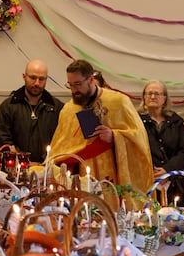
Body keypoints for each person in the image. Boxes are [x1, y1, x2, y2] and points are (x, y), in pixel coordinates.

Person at [48, 59, 152, 190]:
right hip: (79, 180)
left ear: (91, 79)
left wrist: (114, 136)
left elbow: (140, 138)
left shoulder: (119, 102)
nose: (74, 90)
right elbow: (59, 149)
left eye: (78, 84)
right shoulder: (68, 110)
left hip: (113, 179)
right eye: (70, 85)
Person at [0, 59, 63, 162]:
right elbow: (4, 141)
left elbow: (60, 141)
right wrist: (23, 162)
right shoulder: (8, 106)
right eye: (33, 78)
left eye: (41, 79)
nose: (37, 83)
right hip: (16, 169)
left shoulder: (58, 108)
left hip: (48, 169)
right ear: (24, 76)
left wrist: (44, 163)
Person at [138, 81, 184, 175]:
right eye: (149, 93)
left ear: (165, 98)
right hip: (145, 177)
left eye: (157, 94)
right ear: (144, 97)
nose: (152, 97)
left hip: (174, 179)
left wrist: (167, 169)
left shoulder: (176, 122)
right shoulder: (136, 121)